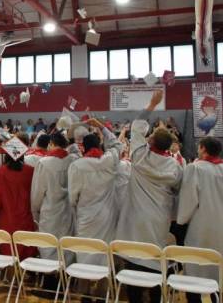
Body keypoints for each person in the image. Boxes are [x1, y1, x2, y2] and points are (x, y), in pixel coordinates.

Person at [116, 90, 183, 303]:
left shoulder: (139, 155)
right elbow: (178, 190)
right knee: (154, 256)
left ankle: (135, 298)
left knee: (134, 256)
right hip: (159, 217)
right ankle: (155, 297)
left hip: (136, 216)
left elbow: (137, 126)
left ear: (150, 141)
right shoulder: (175, 166)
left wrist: (152, 104)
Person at [68, 119, 124, 265]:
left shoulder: (77, 166)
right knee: (104, 251)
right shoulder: (110, 160)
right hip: (107, 214)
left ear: (83, 148)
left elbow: (72, 197)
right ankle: (103, 283)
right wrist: (101, 126)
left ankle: (85, 281)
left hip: (86, 214)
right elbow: (118, 145)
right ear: (100, 145)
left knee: (85, 250)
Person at [177, 137, 223, 303]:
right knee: (216, 269)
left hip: (201, 226)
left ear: (203, 149)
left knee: (196, 268)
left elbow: (189, 200)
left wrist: (181, 219)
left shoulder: (195, 168)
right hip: (220, 228)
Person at [31, 131, 78, 259]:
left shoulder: (44, 163)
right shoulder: (73, 159)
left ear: (51, 144)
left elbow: (37, 191)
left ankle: (50, 274)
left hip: (50, 209)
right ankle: (66, 274)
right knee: (67, 242)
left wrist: (35, 210)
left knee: (49, 244)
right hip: (68, 208)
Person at [0, 133, 37, 258]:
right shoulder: (30, 171)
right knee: (26, 251)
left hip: (8, 219)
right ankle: (25, 276)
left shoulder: (0, 172)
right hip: (26, 218)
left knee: (10, 253)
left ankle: (12, 277)